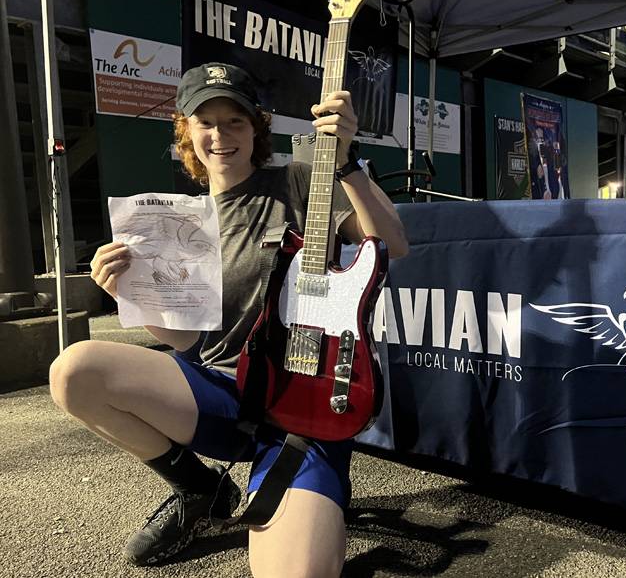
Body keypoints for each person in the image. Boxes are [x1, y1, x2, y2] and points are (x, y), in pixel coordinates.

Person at [49, 62, 408, 577]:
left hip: (299, 405)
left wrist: (348, 163)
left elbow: (395, 245)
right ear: (186, 132)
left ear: (257, 127)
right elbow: (189, 340)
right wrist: (129, 293)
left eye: (235, 121)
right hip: (219, 392)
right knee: (74, 371)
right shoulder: (177, 222)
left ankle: (306, 493)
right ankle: (200, 490)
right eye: (206, 122)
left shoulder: (300, 181)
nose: (221, 135)